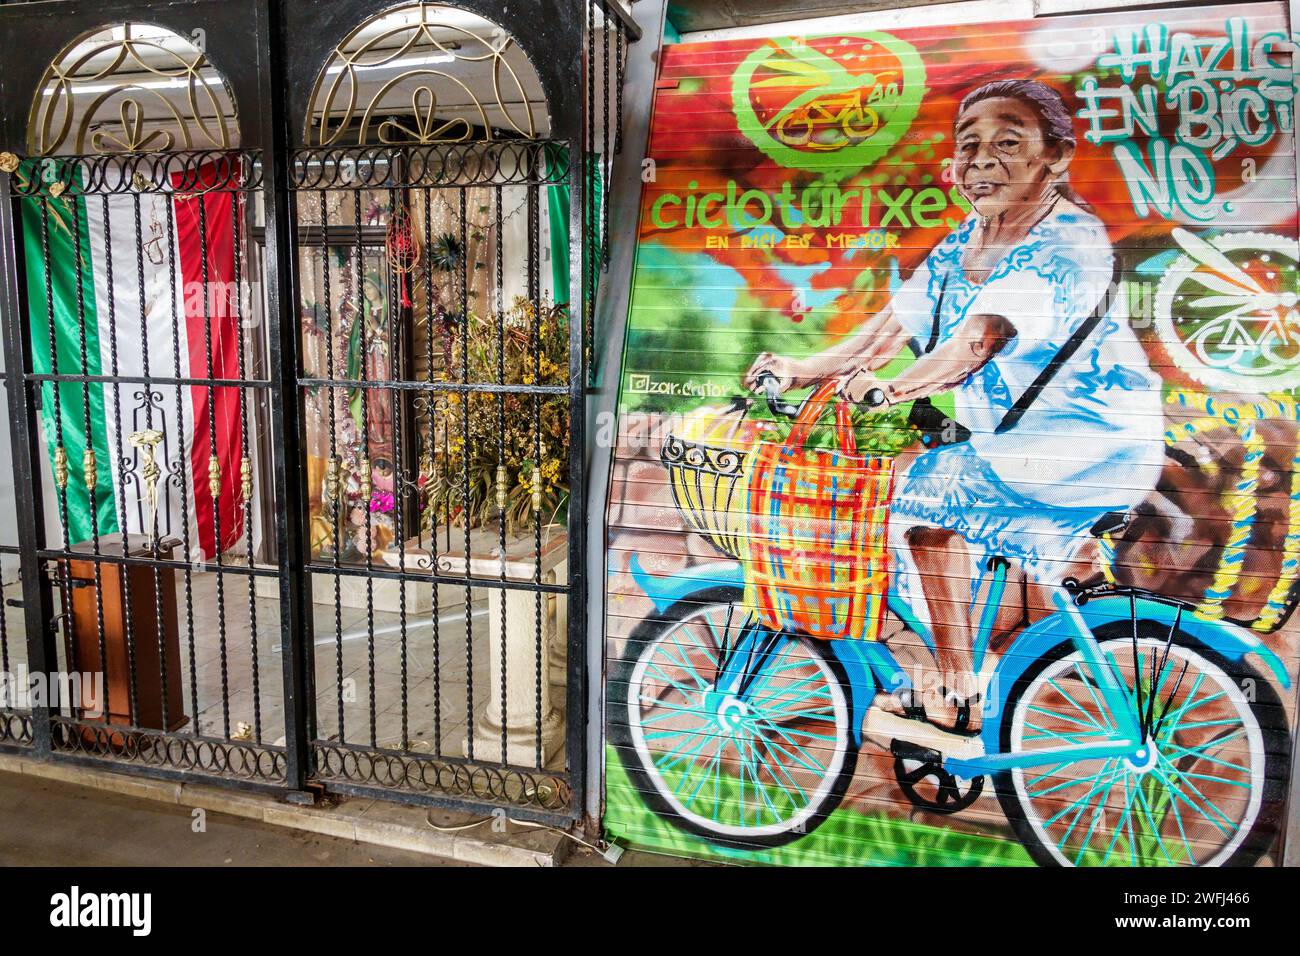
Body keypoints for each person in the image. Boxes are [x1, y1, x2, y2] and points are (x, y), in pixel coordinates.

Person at [745, 79, 1164, 734]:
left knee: (911, 504)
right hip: (1024, 449)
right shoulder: (965, 243)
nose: (983, 161)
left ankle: (955, 692)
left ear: (1056, 155)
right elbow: (887, 329)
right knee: (928, 514)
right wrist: (804, 369)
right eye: (970, 147)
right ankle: (964, 677)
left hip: (1086, 444)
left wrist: (894, 389)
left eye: (1007, 143)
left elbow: (979, 338)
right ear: (953, 166)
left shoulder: (1067, 245)